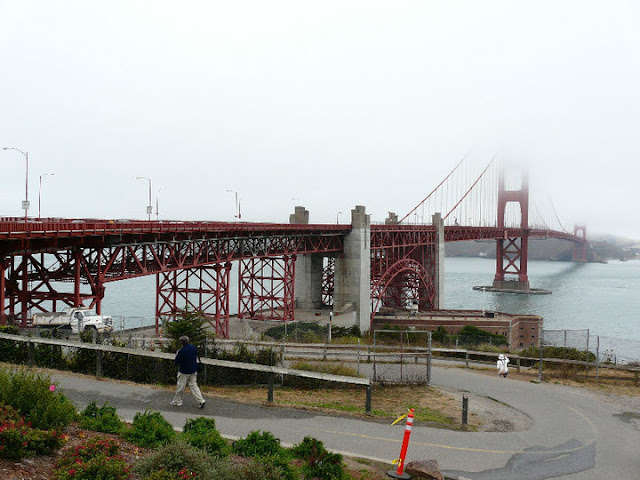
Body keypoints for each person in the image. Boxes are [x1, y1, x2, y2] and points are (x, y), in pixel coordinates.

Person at [170, 335, 206, 408]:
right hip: (193, 370)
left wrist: (177, 354)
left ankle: (177, 401)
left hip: (184, 371)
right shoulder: (193, 347)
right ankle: (201, 400)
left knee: (180, 387)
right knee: (194, 386)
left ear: (181, 342)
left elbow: (177, 361)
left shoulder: (182, 351)